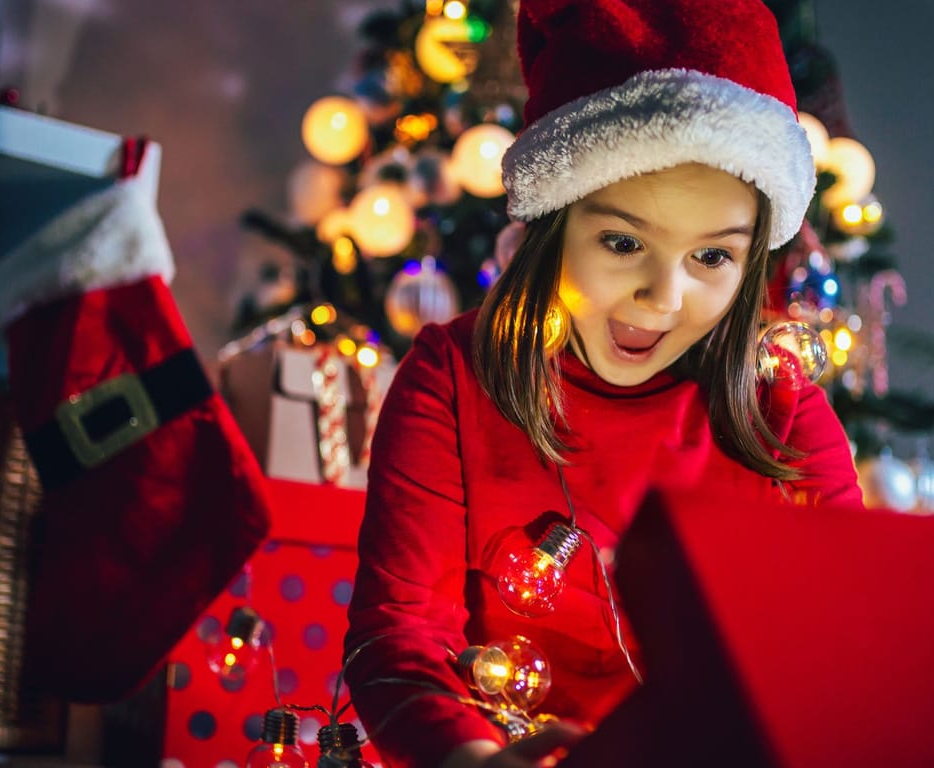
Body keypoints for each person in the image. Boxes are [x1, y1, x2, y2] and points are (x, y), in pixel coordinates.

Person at [343, 1, 862, 766]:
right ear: (554, 224)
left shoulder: (782, 417)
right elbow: (400, 632)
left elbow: (840, 657)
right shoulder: (453, 380)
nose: (665, 298)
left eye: (713, 257)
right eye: (622, 242)